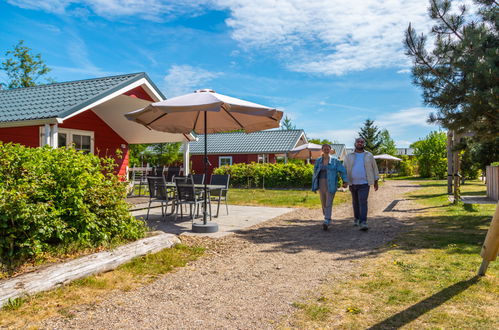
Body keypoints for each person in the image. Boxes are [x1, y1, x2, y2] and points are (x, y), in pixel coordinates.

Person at [344, 137, 380, 231]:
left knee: (363, 202)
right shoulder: (349, 156)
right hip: (352, 183)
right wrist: (344, 181)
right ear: (355, 143)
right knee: (355, 202)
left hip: (364, 183)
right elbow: (344, 169)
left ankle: (363, 222)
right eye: (358, 142)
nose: (360, 143)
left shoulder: (369, 155)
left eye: (362, 142)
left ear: (364, 144)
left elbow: (374, 168)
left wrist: (376, 181)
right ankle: (356, 219)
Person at [312, 144, 348, 231]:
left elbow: (342, 171)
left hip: (331, 183)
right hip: (321, 183)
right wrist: (314, 184)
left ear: (330, 150)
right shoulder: (318, 160)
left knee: (329, 202)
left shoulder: (335, 161)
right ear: (322, 150)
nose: (326, 150)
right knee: (323, 202)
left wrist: (345, 181)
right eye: (325, 149)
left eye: (328, 149)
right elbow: (315, 173)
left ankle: (327, 220)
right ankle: (326, 217)